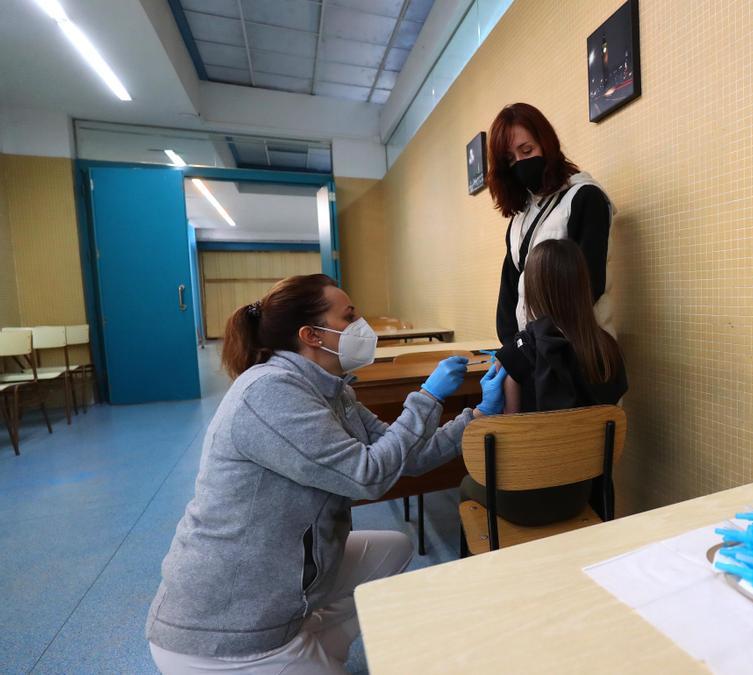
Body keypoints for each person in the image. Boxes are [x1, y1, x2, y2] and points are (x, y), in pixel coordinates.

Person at [146, 274, 506, 674]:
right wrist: (428, 397)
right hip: (224, 630)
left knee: (392, 549)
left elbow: (408, 456)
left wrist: (478, 416)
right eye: (349, 316)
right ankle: (290, 648)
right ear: (312, 335)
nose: (361, 325)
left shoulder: (333, 389)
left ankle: (308, 637)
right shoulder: (269, 392)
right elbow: (367, 475)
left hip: (283, 572)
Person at [462, 240, 627, 526]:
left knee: (466, 483)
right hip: (586, 492)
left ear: (532, 289)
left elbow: (508, 441)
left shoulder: (516, 352)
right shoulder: (608, 349)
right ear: (582, 286)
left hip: (527, 499)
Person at [488, 102, 616, 347]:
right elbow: (509, 291)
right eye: (510, 160)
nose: (521, 163)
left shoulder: (585, 197)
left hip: (578, 351)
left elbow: (589, 286)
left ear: (546, 144)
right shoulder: (519, 218)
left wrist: (536, 344)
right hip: (533, 353)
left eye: (527, 150)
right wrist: (513, 350)